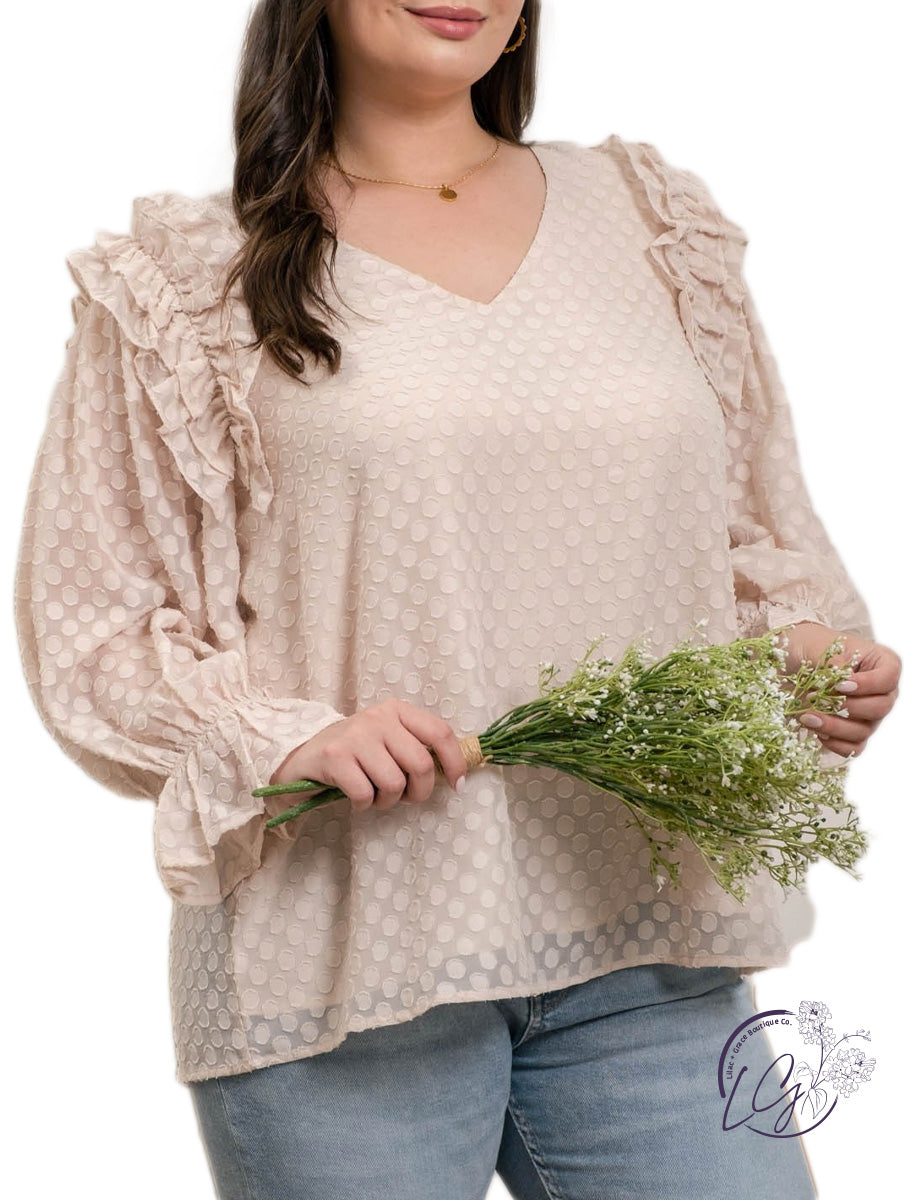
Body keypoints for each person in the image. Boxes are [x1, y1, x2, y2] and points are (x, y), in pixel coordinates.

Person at [13, 2, 900, 1197]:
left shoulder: (649, 219)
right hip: (343, 965)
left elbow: (748, 526)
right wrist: (289, 739)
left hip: (648, 945)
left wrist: (800, 655)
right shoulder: (187, 273)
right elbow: (95, 621)